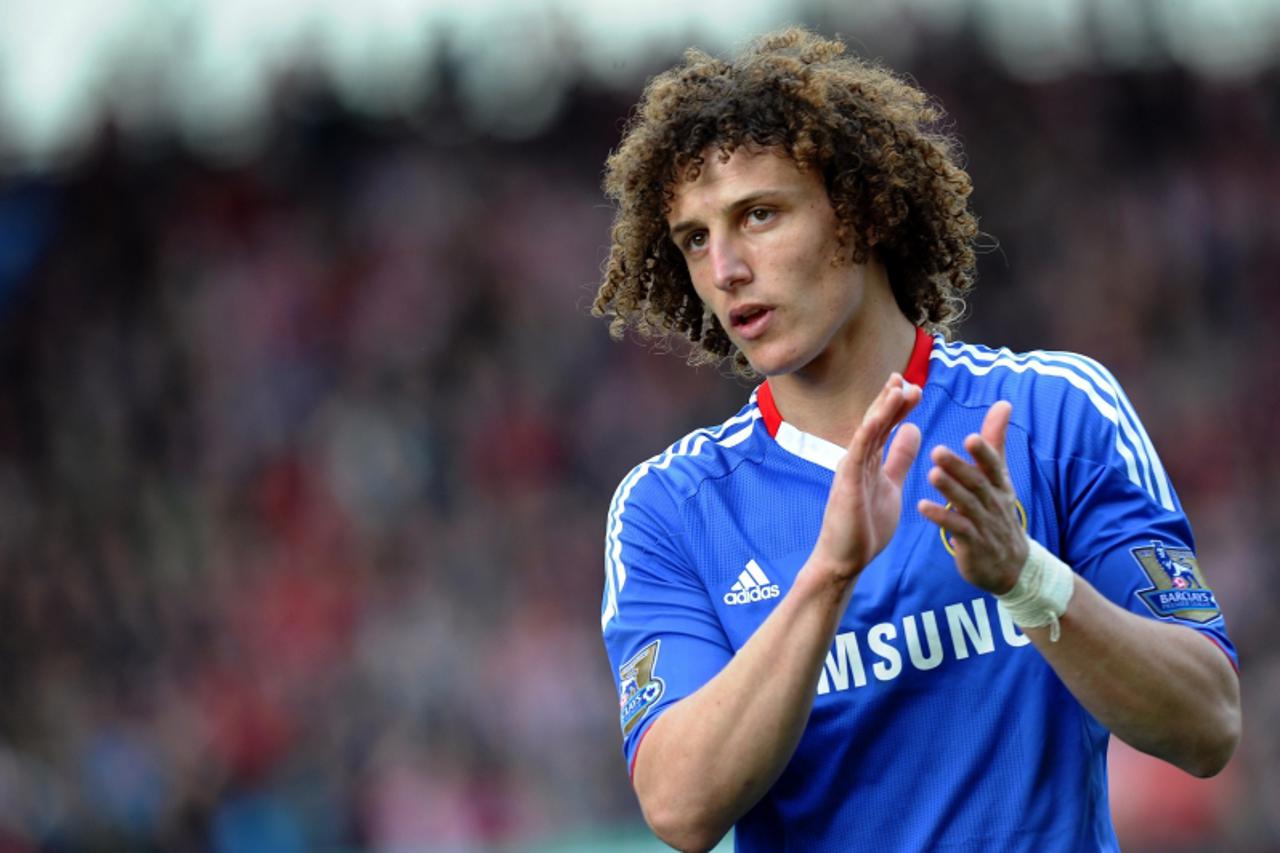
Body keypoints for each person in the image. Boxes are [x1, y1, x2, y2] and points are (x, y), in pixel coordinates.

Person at [593, 27, 1240, 853]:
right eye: (694, 237)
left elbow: (1208, 723)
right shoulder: (669, 507)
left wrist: (1027, 578)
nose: (725, 269)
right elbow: (681, 809)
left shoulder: (1053, 412)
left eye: (759, 214)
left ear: (860, 217)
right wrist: (828, 576)